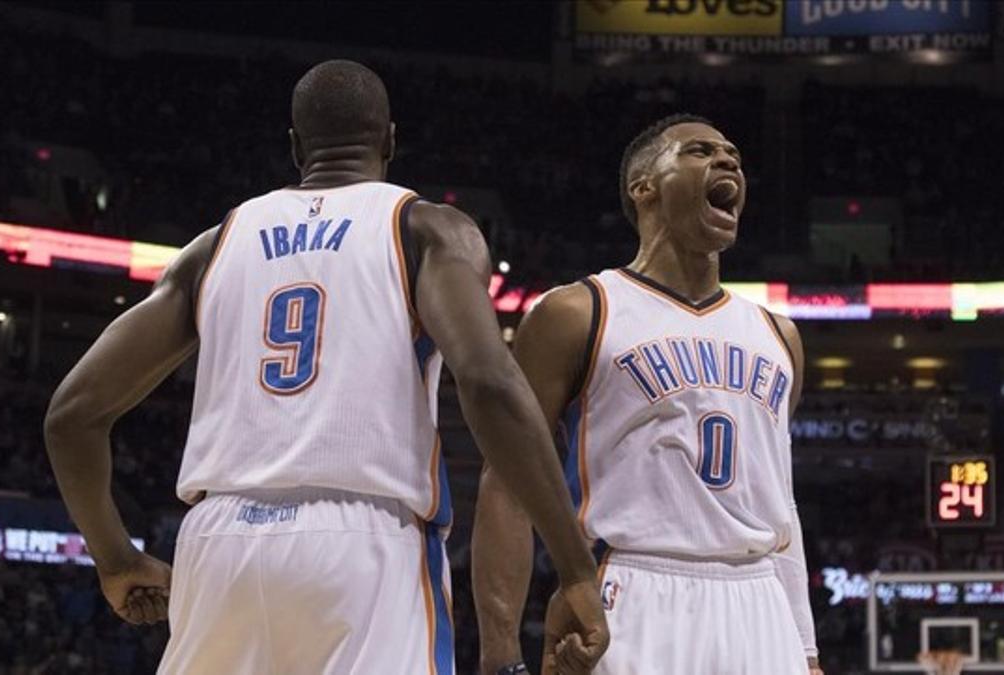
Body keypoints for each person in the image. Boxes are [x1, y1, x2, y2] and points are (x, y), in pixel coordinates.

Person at [44, 59, 607, 675]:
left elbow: (72, 415)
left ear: (295, 147)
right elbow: (489, 383)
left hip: (220, 539)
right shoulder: (425, 229)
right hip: (364, 541)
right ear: (390, 139)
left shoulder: (214, 246)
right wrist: (576, 567)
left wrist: (116, 558)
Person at [472, 114, 821, 675]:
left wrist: (805, 648)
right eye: (700, 152)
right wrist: (500, 655)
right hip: (634, 590)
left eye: (733, 155)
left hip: (761, 602)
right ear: (644, 187)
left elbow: (783, 501)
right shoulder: (577, 312)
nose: (728, 162)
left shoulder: (780, 336)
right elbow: (508, 482)